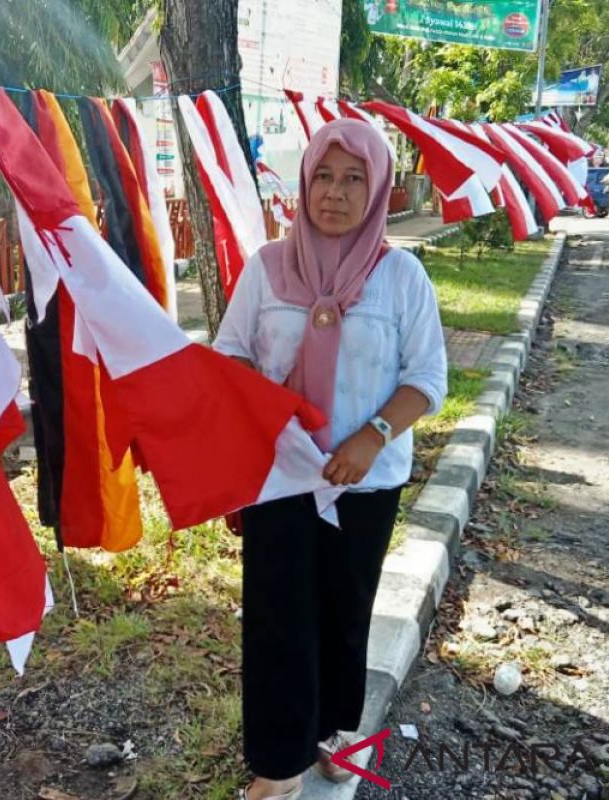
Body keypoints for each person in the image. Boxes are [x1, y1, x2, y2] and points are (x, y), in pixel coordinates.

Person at [212, 119, 448, 800]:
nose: (335, 194)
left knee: (343, 611)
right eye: (323, 175)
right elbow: (230, 354)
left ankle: (329, 734)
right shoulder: (266, 269)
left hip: (364, 482)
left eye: (353, 179)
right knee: (278, 616)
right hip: (280, 477)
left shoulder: (400, 276)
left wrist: (372, 434)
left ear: (376, 190)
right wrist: (264, 417)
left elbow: (427, 377)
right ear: (304, 181)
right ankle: (278, 766)